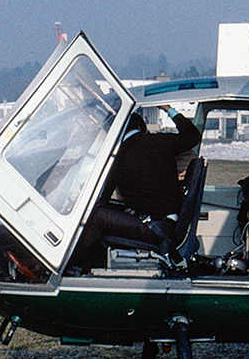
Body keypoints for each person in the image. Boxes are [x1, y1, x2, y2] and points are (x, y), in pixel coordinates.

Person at [72, 108, 202, 267]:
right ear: (141, 128)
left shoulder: (117, 156)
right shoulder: (161, 141)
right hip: (166, 224)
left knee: (95, 216)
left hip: (154, 228)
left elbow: (103, 198)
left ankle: (71, 266)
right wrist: (169, 110)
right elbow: (193, 135)